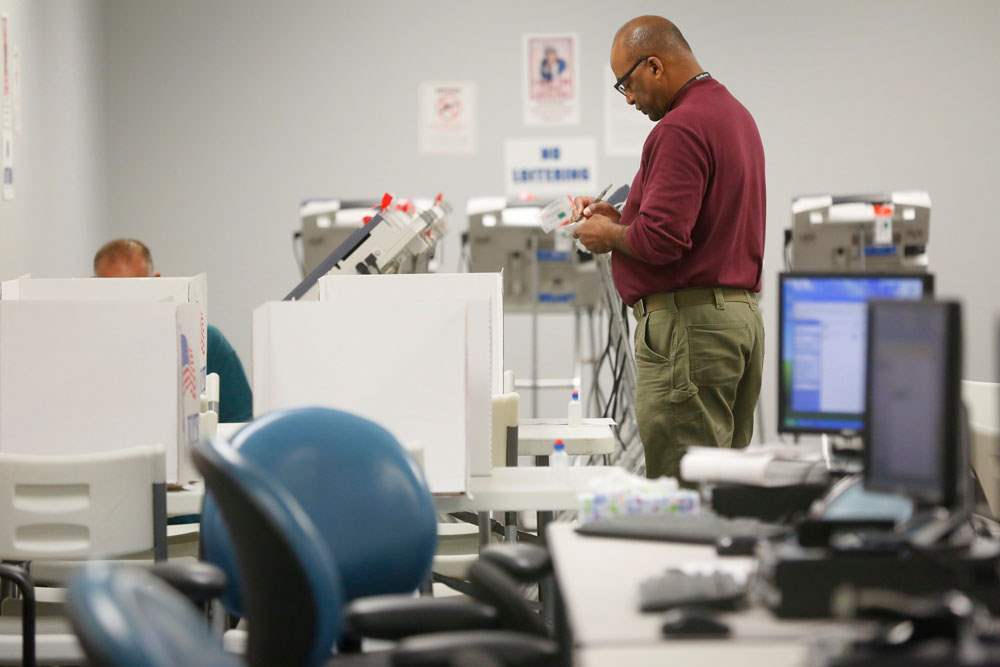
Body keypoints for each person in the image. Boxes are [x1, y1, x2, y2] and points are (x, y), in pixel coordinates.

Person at [572, 16, 766, 480]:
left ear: (654, 66)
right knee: (720, 487)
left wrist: (607, 237)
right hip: (737, 322)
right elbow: (696, 229)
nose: (631, 100)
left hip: (690, 332)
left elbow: (662, 240)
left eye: (627, 85)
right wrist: (619, 221)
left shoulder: (679, 128)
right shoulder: (733, 115)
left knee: (682, 494)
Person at [93, 239, 253, 423]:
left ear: (158, 281)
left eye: (137, 289)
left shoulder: (205, 341)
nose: (127, 305)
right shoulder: (85, 349)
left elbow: (242, 424)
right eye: (113, 293)